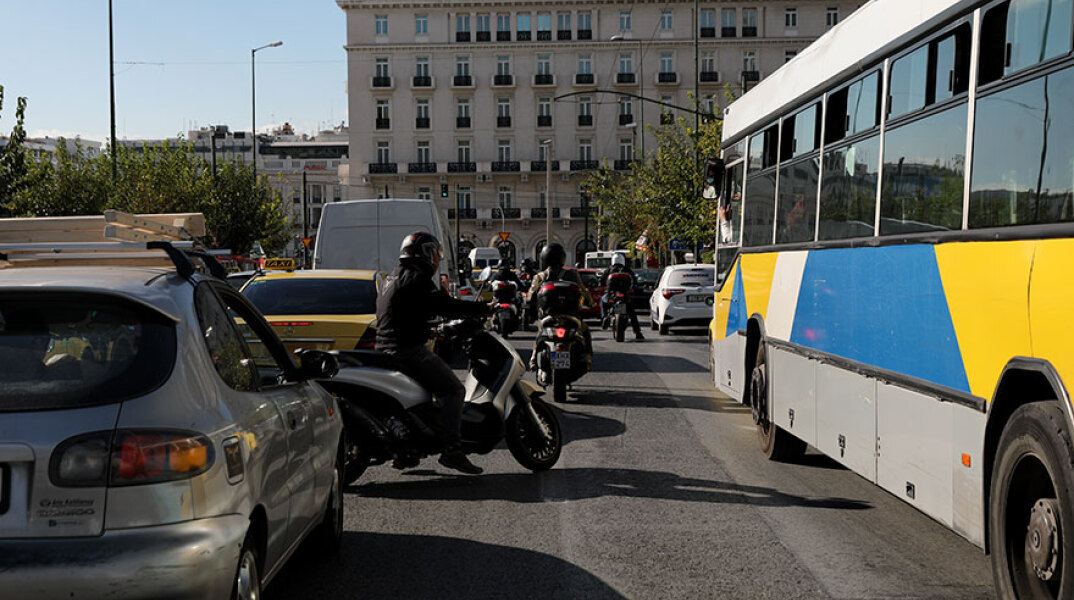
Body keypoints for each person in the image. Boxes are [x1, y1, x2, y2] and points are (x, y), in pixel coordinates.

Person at [376, 232, 491, 475]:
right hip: (406, 351)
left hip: (386, 348)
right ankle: (452, 450)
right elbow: (445, 305)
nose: (436, 260)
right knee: (453, 389)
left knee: (424, 396)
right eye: (434, 254)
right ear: (425, 253)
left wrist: (430, 327)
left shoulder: (393, 276)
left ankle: (408, 450)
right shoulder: (417, 278)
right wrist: (483, 309)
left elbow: (406, 313)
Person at [525, 242, 594, 369]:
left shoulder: (540, 276)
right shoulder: (572, 274)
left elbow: (531, 296)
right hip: (570, 316)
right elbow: (583, 291)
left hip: (548, 316)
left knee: (541, 332)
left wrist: (528, 303)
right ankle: (588, 358)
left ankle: (533, 357)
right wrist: (590, 303)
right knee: (585, 331)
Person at [599, 254, 644, 340]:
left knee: (602, 300)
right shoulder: (627, 270)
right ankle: (637, 332)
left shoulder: (609, 270)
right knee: (632, 313)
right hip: (625, 295)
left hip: (612, 295)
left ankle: (604, 316)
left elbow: (601, 281)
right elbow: (634, 281)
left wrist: (601, 285)